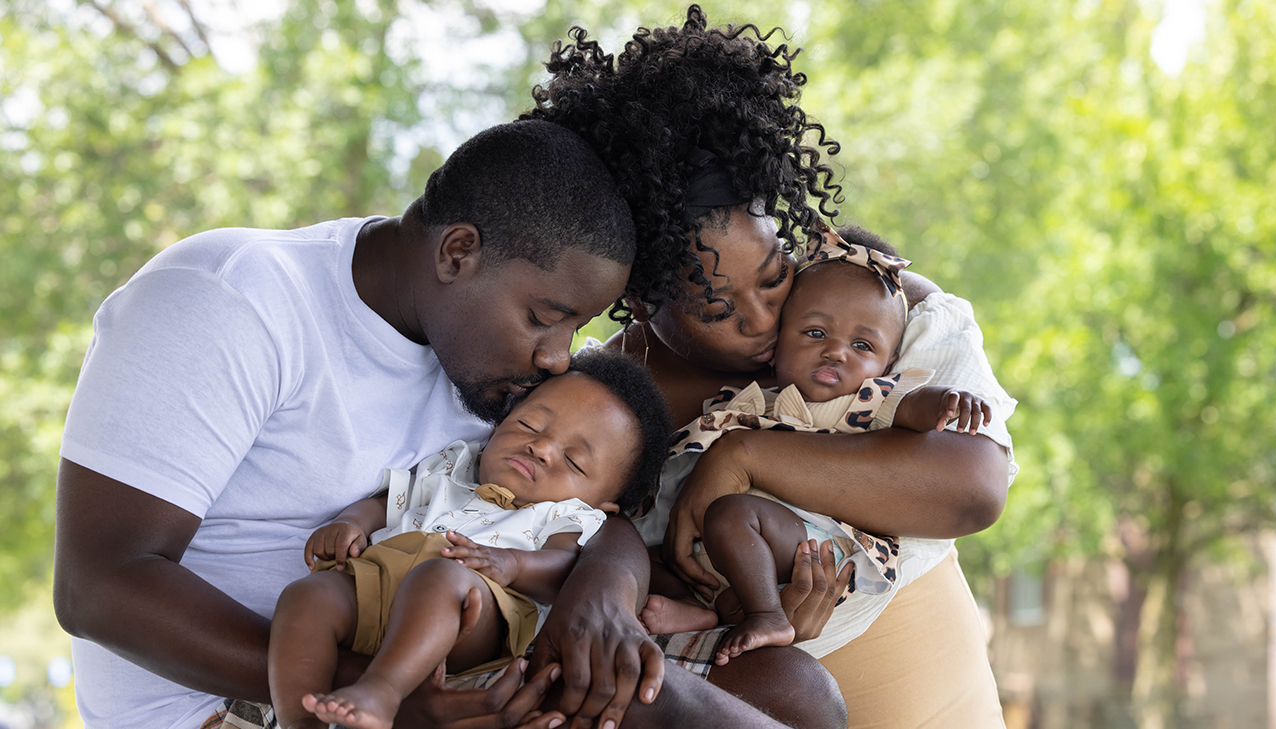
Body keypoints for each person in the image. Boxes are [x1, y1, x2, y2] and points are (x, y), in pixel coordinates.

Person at [52, 119, 642, 729]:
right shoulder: (231, 297)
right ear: (458, 252)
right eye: (546, 318)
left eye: (575, 330)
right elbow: (97, 589)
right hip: (225, 703)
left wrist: (605, 588)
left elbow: (605, 504)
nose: (558, 355)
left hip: (429, 674)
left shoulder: (512, 370)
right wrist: (384, 691)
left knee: (634, 686)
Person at [525, 7, 1018, 728]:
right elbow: (603, 556)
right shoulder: (605, 401)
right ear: (639, 297)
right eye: (719, 308)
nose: (763, 320)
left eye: (775, 274)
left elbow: (971, 487)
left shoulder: (864, 301)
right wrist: (744, 603)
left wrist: (747, 454)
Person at [638, 222, 995, 666]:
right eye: (814, 334)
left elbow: (908, 408)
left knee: (733, 513)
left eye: (862, 346)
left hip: (810, 538)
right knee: (642, 553)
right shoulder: (754, 400)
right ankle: (703, 612)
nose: (837, 352)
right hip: (728, 549)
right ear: (780, 344)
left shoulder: (864, 400)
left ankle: (767, 614)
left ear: (887, 362)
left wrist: (946, 401)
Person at [269, 351, 672, 729]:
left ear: (604, 503)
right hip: (374, 587)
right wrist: (351, 521)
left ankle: (382, 692)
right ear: (499, 425)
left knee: (443, 578)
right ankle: (301, 718)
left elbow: (563, 570)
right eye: (529, 425)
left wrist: (513, 564)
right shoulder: (455, 463)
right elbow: (389, 500)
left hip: (473, 617)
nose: (543, 447)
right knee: (307, 594)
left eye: (574, 461)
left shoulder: (568, 515)